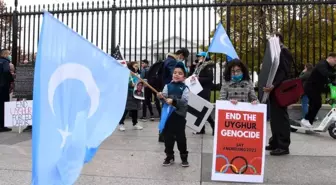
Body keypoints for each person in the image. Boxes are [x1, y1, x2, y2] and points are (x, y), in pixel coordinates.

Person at [264, 33, 293, 156]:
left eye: (272, 39)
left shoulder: (284, 51)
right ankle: (275, 142)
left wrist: (274, 84)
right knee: (275, 118)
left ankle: (283, 145)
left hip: (280, 89)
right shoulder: (276, 51)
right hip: (274, 89)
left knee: (281, 117)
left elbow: (284, 72)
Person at [157, 62, 190, 167]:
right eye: (175, 72)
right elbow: (164, 98)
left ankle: (184, 156)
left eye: (180, 73)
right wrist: (160, 96)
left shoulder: (185, 88)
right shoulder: (167, 86)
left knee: (181, 138)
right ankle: (169, 155)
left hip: (179, 117)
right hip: (168, 117)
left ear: (184, 77)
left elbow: (185, 101)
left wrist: (174, 101)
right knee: (168, 138)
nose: (176, 74)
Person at [159, 48, 190, 142]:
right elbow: (176, 73)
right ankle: (166, 135)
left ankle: (164, 135)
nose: (176, 74)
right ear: (181, 55)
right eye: (183, 57)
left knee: (167, 116)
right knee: (169, 116)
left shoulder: (167, 59)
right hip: (171, 91)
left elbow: (185, 100)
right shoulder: (173, 62)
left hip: (170, 92)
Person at [301, 53, 336, 128]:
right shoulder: (322, 64)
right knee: (315, 103)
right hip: (311, 87)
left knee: (316, 104)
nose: (335, 62)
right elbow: (325, 73)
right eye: (335, 60)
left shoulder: (329, 67)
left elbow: (331, 76)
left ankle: (308, 121)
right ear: (330, 58)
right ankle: (306, 120)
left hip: (316, 88)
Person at [191, 51, 216, 135]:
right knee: (199, 109)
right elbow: (192, 74)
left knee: (204, 109)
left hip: (205, 90)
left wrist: (199, 79)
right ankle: (201, 129)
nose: (198, 58)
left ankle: (213, 125)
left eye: (200, 57)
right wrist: (193, 65)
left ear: (205, 57)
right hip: (198, 89)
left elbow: (210, 78)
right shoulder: (199, 66)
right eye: (198, 57)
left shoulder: (208, 66)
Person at [119, 61, 143, 131]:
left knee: (135, 109)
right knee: (126, 109)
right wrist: (130, 84)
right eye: (135, 66)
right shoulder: (128, 74)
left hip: (136, 94)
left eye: (137, 66)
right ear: (131, 66)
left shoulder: (138, 75)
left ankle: (135, 123)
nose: (137, 67)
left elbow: (139, 83)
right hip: (129, 94)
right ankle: (121, 123)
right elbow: (124, 83)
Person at [0, 49, 14, 132]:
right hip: (3, 86)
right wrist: (11, 79)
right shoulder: (5, 62)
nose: (10, 55)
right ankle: (2, 125)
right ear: (5, 54)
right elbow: (6, 71)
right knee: (3, 105)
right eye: (9, 53)